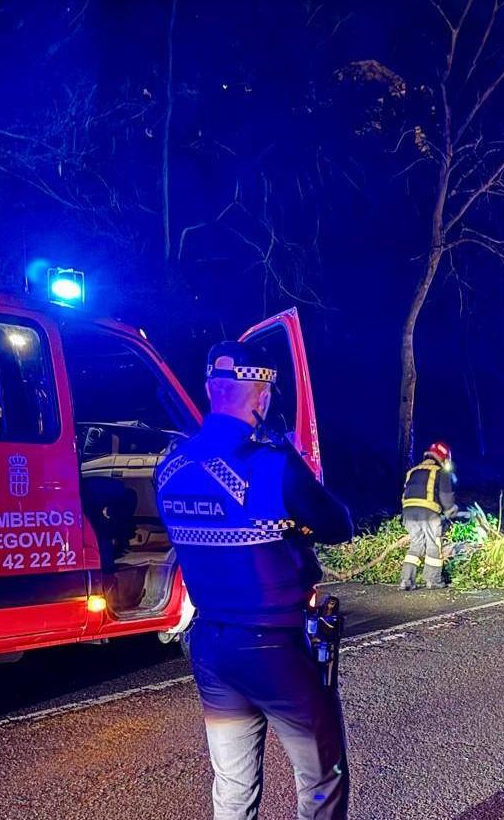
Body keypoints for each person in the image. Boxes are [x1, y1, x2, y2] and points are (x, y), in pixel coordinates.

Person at [155, 341, 354, 820]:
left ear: (208, 389)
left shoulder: (169, 469)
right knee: (321, 779)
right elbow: (339, 524)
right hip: (277, 647)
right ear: (262, 396)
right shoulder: (271, 464)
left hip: (209, 647)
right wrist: (290, 462)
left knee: (233, 787)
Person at [399, 441, 457, 590]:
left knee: (416, 544)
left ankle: (406, 581)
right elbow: (445, 495)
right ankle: (433, 581)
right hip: (428, 512)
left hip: (408, 512)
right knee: (433, 544)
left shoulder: (413, 470)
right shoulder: (440, 471)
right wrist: (450, 510)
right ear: (444, 458)